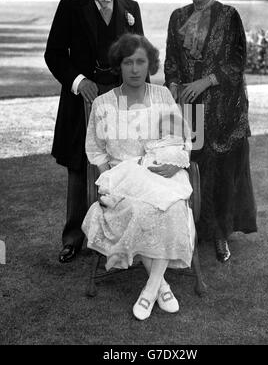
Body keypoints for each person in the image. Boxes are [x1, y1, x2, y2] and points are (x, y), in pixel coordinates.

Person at [82, 33, 195, 320]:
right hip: (123, 179)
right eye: (128, 62)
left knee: (171, 207)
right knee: (139, 209)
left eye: (140, 62)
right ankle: (161, 286)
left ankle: (151, 289)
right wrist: (108, 182)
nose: (134, 69)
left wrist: (176, 164)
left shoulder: (162, 96)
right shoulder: (104, 104)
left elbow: (182, 138)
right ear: (118, 65)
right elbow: (96, 150)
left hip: (161, 173)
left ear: (150, 65)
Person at [44, 0, 144, 263]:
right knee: (79, 166)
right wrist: (77, 81)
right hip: (81, 100)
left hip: (120, 99)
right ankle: (73, 239)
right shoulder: (70, 7)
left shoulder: (131, 8)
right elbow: (54, 54)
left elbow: (139, 57)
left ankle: (118, 237)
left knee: (122, 163)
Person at [164, 0, 257, 263]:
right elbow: (171, 62)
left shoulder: (229, 15)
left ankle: (221, 235)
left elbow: (237, 62)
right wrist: (175, 86)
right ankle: (196, 229)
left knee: (223, 170)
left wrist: (205, 81)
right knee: (195, 169)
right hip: (190, 109)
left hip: (225, 107)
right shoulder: (177, 17)